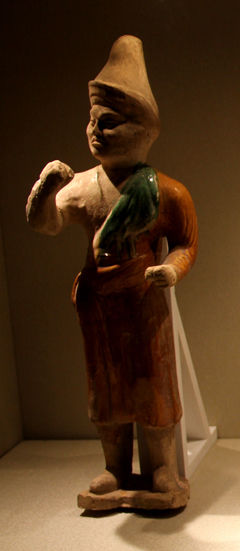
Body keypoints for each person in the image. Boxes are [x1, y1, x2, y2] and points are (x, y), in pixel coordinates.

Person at [26, 36, 198, 509]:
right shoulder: (83, 186)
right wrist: (46, 190)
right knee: (106, 388)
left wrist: (170, 271)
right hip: (99, 302)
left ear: (143, 130)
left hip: (143, 300)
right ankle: (114, 468)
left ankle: (162, 468)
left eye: (109, 122)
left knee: (153, 387)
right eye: (93, 121)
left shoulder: (167, 192)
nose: (96, 132)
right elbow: (48, 224)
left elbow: (186, 243)